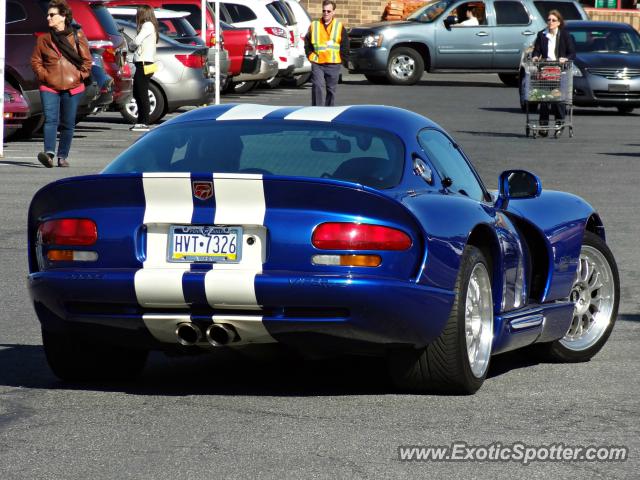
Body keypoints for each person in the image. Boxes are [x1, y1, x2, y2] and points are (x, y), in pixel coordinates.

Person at [31, 0, 92, 168]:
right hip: (49, 86)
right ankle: (49, 154)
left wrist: (79, 75)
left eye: (52, 15)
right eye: (48, 14)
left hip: (73, 86)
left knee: (68, 123)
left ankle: (62, 156)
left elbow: (87, 61)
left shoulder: (77, 36)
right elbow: (35, 61)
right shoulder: (44, 39)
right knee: (50, 120)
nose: (48, 17)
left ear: (63, 16)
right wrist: (45, 75)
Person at [531, 9, 575, 136]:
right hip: (545, 70)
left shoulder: (565, 36)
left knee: (558, 99)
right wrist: (535, 56)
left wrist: (565, 59)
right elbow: (537, 50)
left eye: (553, 20)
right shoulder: (542, 35)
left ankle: (559, 123)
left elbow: (572, 53)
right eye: (549, 20)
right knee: (544, 98)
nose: (550, 22)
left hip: (560, 71)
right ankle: (543, 126)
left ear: (559, 22)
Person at [304, 0, 349, 106]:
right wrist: (310, 55)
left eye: (329, 11)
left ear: (333, 12)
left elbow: (345, 45)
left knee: (331, 90)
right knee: (317, 86)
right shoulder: (314, 25)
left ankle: (328, 112)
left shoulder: (339, 26)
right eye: (324, 11)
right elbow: (307, 42)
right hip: (318, 62)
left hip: (333, 64)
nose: (326, 13)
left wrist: (342, 60)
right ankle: (317, 110)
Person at [128, 5, 159, 132]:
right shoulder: (152, 25)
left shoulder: (147, 25)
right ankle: (141, 120)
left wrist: (130, 45)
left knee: (141, 92)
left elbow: (136, 42)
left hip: (144, 63)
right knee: (139, 91)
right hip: (147, 63)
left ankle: (143, 121)